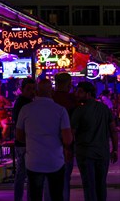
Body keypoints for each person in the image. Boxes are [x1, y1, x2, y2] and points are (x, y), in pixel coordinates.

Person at [16, 79, 73, 201]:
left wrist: (32, 140)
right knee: (56, 195)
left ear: (36, 91)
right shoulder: (60, 110)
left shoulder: (25, 110)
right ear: (52, 91)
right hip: (55, 160)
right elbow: (68, 139)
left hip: (33, 160)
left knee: (35, 196)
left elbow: (19, 137)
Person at [71, 82, 118, 201]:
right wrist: (115, 149)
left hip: (85, 153)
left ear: (88, 94)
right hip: (103, 153)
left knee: (89, 185)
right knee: (101, 184)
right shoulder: (104, 109)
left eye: (80, 91)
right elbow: (113, 130)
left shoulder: (79, 111)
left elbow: (71, 132)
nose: (77, 94)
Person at [47, 72, 77, 201]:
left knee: (48, 180)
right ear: (68, 84)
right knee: (64, 179)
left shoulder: (49, 99)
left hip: (47, 144)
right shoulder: (71, 100)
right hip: (66, 145)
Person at [12, 77, 36, 201]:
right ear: (22, 90)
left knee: (23, 173)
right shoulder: (24, 103)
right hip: (23, 143)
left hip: (25, 142)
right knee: (24, 174)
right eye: (29, 89)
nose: (32, 91)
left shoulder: (25, 102)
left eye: (33, 89)